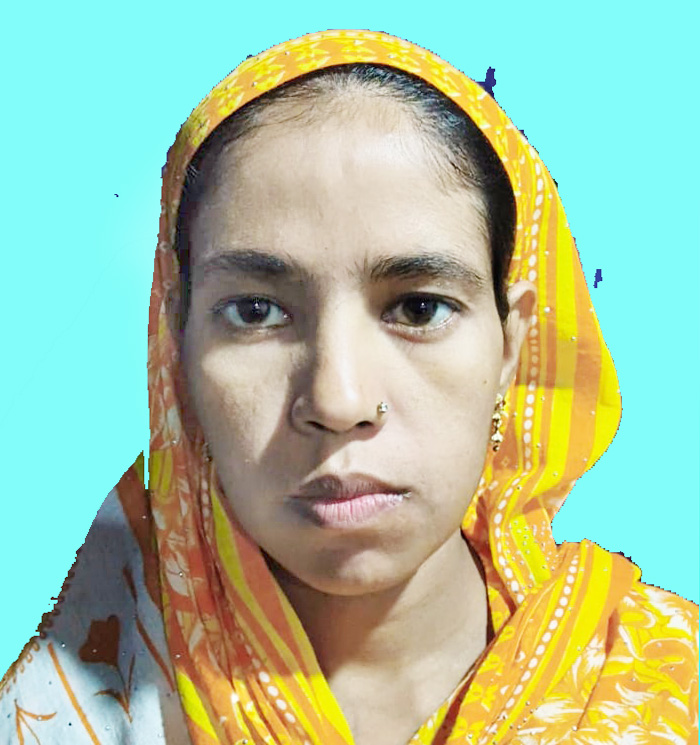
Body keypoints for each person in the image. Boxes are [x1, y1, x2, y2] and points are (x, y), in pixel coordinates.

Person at [1, 29, 697, 745]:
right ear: (175, 348)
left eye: (419, 308)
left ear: (509, 347)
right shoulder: (67, 708)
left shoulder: (667, 687)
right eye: (255, 311)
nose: (339, 403)